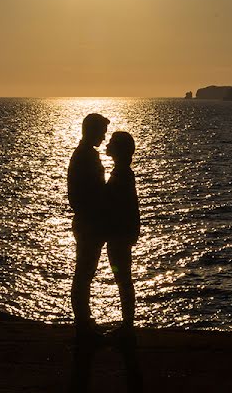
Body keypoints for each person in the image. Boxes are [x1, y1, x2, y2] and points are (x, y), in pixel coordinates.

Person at [68, 113, 109, 340]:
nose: (103, 137)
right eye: (101, 131)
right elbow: (90, 192)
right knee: (84, 274)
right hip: (88, 222)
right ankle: (83, 324)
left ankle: (84, 320)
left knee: (84, 274)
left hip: (87, 221)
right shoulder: (86, 156)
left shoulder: (83, 154)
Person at [103, 131, 140, 339]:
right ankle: (127, 324)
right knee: (123, 277)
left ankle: (127, 325)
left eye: (112, 143)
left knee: (122, 277)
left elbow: (120, 204)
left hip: (119, 236)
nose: (108, 145)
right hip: (121, 234)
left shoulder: (122, 174)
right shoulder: (122, 172)